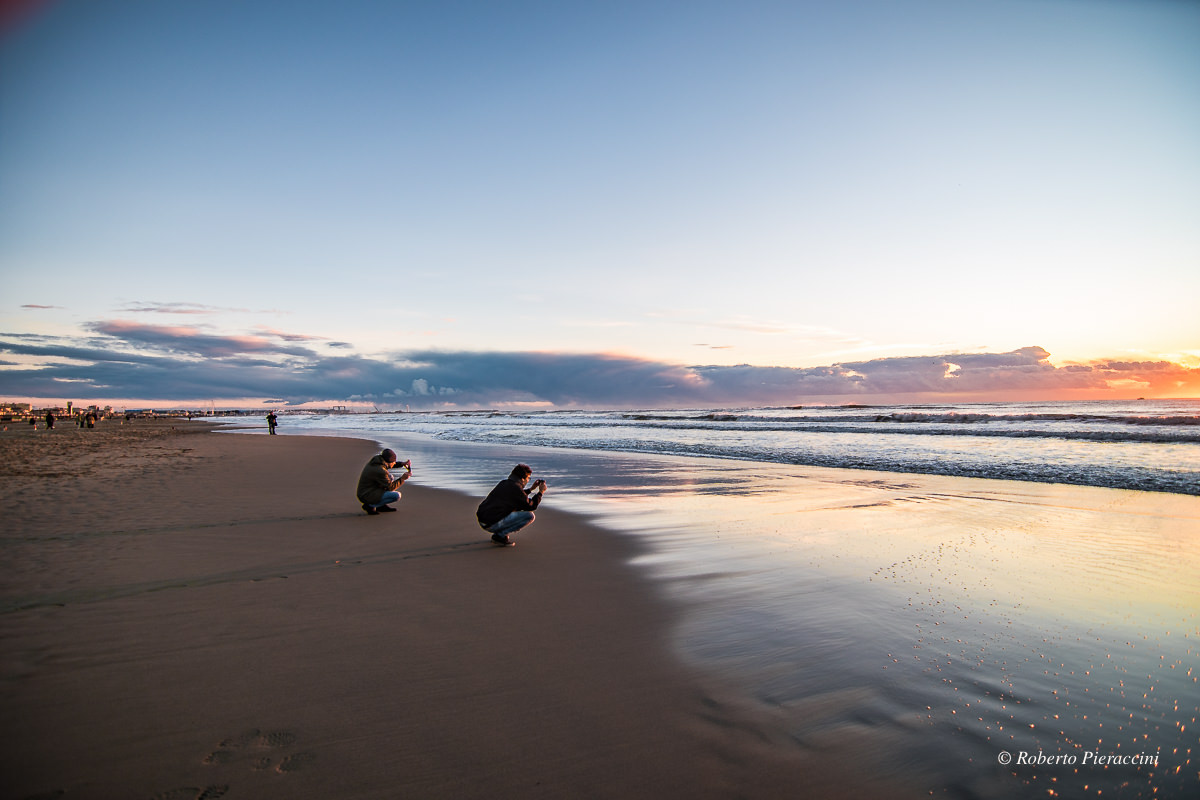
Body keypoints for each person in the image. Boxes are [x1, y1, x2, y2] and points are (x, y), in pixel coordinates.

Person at [476, 464, 547, 546]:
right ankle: (500, 535)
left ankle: (499, 534)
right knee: (529, 516)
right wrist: (540, 492)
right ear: (522, 479)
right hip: (491, 524)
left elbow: (517, 497)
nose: (528, 480)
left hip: (483, 521)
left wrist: (531, 489)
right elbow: (531, 506)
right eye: (528, 478)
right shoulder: (516, 489)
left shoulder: (504, 483)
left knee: (515, 508)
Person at [356, 448, 411, 515]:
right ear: (389, 462)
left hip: (366, 491)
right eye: (393, 461)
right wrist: (402, 479)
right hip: (366, 495)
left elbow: (390, 465)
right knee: (396, 496)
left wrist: (402, 464)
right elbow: (390, 487)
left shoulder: (377, 462)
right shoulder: (381, 471)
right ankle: (370, 506)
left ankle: (381, 506)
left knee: (390, 477)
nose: (394, 463)